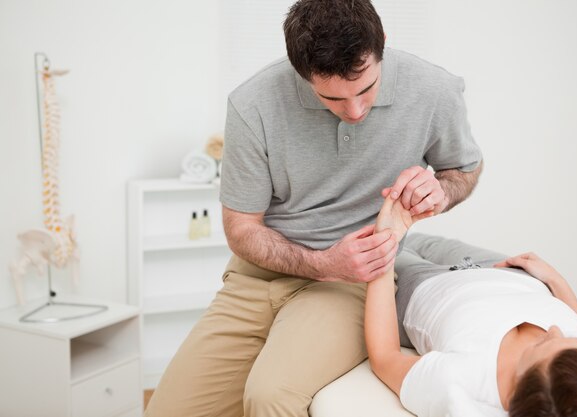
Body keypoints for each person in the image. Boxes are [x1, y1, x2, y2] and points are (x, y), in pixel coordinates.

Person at [144, 0, 483, 416]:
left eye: (365, 89)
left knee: (269, 396)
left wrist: (441, 192)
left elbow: (462, 169)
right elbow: (241, 228)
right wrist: (323, 263)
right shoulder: (253, 105)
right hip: (257, 278)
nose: (355, 110)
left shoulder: (434, 90)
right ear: (300, 72)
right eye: (332, 98)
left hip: (350, 284)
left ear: (382, 47)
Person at [366, 196, 577, 417]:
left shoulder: (458, 384)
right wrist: (556, 281)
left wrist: (384, 243)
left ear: (518, 391)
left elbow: (385, 358)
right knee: (422, 238)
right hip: (513, 273)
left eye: (542, 344)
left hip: (429, 286)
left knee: (378, 232)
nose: (555, 329)